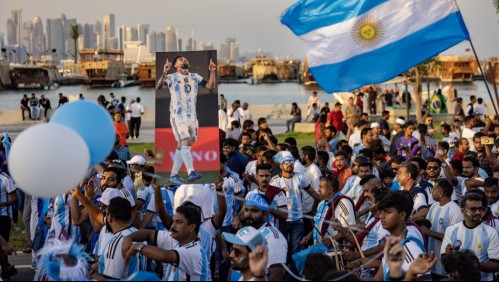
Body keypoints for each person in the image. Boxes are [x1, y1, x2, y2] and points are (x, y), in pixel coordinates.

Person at [156, 55, 217, 183]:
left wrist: (212, 72)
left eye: (185, 58)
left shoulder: (195, 76)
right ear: (176, 65)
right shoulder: (172, 77)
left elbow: (210, 86)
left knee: (181, 145)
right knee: (186, 141)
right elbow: (159, 87)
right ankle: (191, 172)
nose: (184, 60)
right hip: (178, 116)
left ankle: (173, 174)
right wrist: (164, 72)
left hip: (192, 117)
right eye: (180, 59)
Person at [122, 202, 214, 280]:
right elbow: (149, 234)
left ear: (191, 227)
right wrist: (128, 238)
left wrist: (137, 247)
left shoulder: (194, 252)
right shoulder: (177, 240)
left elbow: (164, 256)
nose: (172, 226)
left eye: (178, 222)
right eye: (173, 221)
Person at [442, 192, 499, 281]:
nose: (478, 212)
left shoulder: (491, 233)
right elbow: (444, 258)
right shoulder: (451, 230)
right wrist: (449, 256)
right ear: (462, 210)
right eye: (473, 209)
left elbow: (496, 265)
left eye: (480, 209)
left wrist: (472, 265)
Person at [90, 197, 144, 280]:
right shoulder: (139, 235)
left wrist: (91, 273)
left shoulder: (116, 243)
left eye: (106, 214)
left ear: (109, 217)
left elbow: (111, 280)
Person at [422, 179, 463, 280]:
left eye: (434, 189)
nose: (432, 191)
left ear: (440, 193)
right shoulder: (433, 207)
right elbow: (427, 226)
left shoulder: (455, 211)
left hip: (444, 269)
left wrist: (429, 233)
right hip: (431, 265)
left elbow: (456, 241)